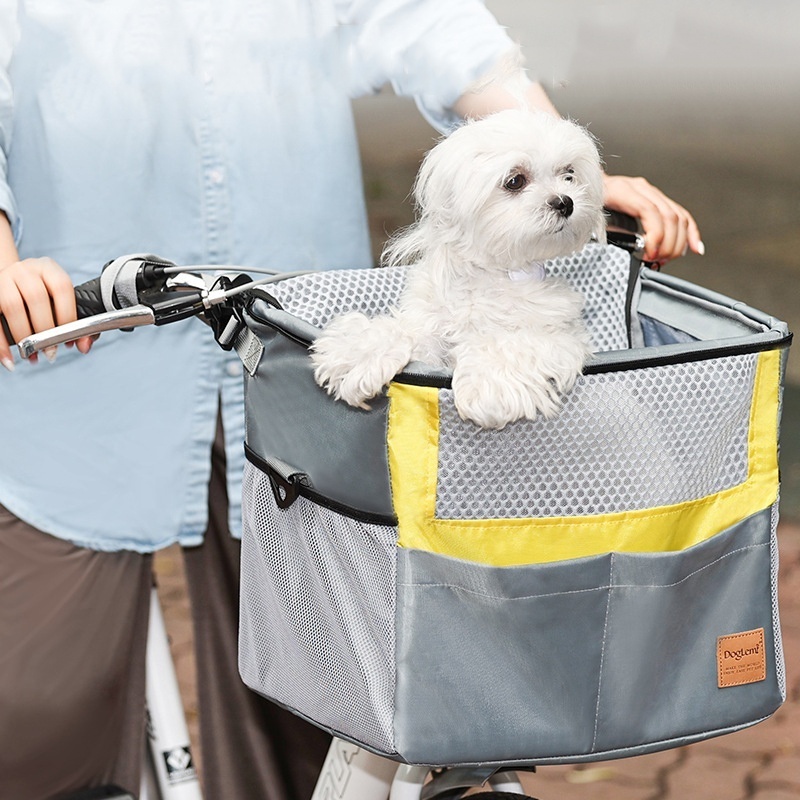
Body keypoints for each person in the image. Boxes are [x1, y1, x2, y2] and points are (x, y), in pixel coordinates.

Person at [0, 2, 703, 798]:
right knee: (39, 714)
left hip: (302, 340)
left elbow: (436, 29)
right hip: (76, 337)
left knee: (331, 702)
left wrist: (564, 167)